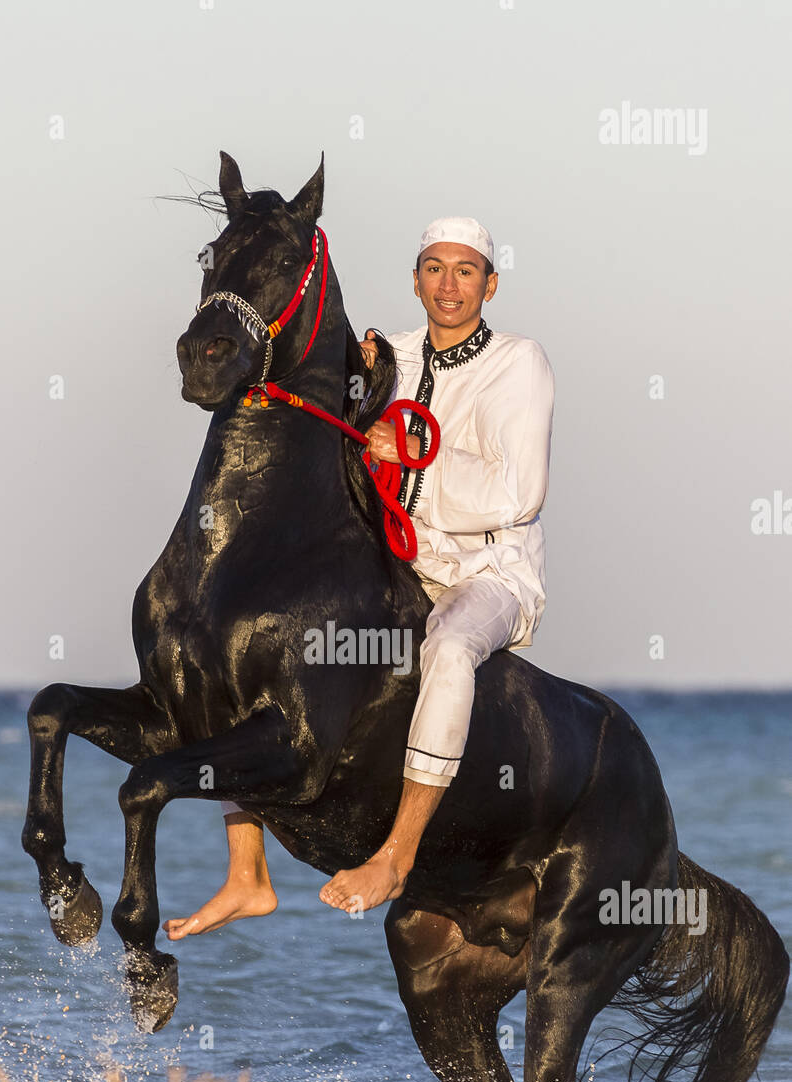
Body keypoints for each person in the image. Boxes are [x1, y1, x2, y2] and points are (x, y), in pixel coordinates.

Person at [164, 216, 554, 939]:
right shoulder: (391, 353)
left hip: (488, 574)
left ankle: (397, 858)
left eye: (464, 271)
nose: (447, 284)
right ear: (414, 280)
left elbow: (517, 494)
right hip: (395, 566)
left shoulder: (518, 362)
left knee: (448, 648)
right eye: (433, 268)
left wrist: (410, 452)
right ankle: (245, 872)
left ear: (489, 284)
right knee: (246, 644)